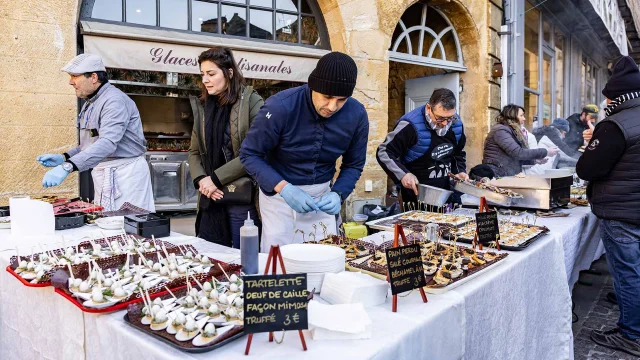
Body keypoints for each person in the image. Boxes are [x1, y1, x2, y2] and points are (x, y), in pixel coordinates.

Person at [239, 52, 368, 252]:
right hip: (279, 198)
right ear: (313, 86)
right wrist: (284, 188)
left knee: (323, 262)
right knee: (279, 265)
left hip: (323, 196)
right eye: (327, 97)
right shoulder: (280, 106)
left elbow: (354, 164)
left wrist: (339, 193)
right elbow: (249, 154)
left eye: (341, 100)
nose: (332, 107)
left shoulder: (357, 115)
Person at [577, 55, 640, 356]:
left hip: (621, 211)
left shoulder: (615, 123)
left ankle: (632, 334)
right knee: (637, 270)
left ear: (615, 95)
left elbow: (588, 169)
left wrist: (592, 144)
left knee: (627, 273)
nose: (604, 102)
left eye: (606, 97)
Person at [37, 54, 154, 212]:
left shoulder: (114, 101)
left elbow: (107, 143)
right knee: (107, 225)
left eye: (74, 76)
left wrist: (67, 167)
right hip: (105, 174)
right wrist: (64, 157)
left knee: (130, 227)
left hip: (126, 175)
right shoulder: (90, 103)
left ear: (93, 77)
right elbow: (90, 144)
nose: (70, 81)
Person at [188, 47, 264, 248]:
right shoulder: (203, 107)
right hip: (209, 198)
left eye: (211, 74)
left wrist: (214, 179)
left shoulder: (251, 101)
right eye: (202, 74)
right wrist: (202, 182)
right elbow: (194, 151)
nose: (205, 80)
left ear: (229, 73)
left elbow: (255, 151)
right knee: (211, 258)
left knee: (245, 257)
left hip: (241, 195)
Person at [376, 88, 468, 209]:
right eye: (440, 118)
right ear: (429, 108)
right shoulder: (410, 125)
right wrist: (403, 174)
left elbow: (458, 153)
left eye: (450, 118)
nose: (445, 123)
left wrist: (459, 171)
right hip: (416, 195)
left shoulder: (456, 124)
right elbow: (384, 152)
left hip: (446, 193)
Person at [482, 104, 559, 177]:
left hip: (504, 173)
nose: (524, 118)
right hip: (497, 173)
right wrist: (546, 152)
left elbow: (514, 158)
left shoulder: (510, 130)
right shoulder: (501, 131)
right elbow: (518, 153)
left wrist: (535, 161)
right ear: (512, 116)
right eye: (521, 115)